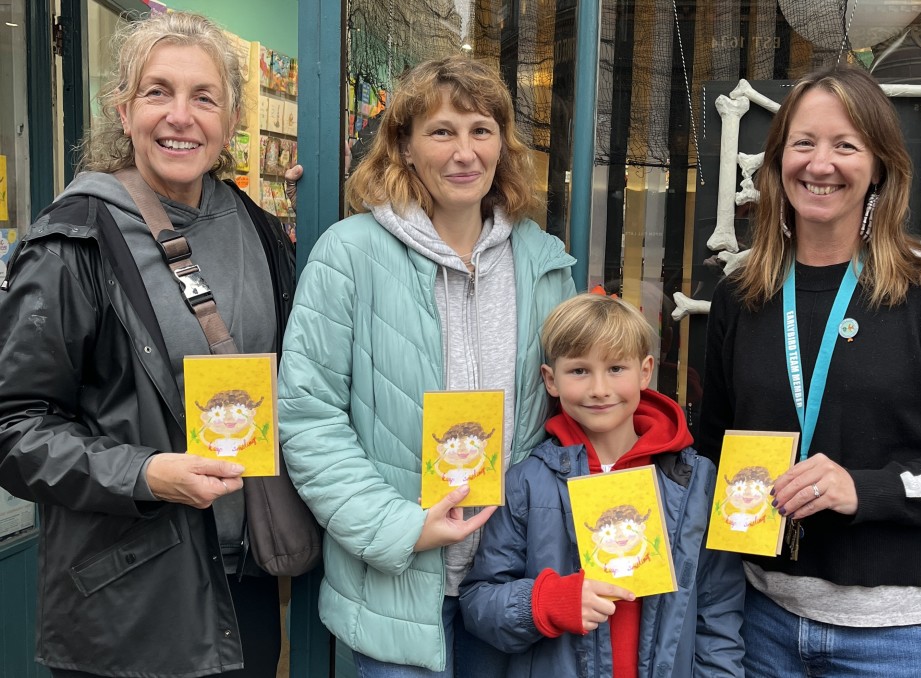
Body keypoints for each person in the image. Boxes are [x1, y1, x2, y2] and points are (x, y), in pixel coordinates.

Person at [698, 64, 921, 678]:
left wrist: (868, 488)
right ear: (776, 160)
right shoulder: (741, 293)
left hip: (902, 635)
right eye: (803, 143)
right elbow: (716, 448)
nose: (821, 165)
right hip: (759, 620)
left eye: (846, 145)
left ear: (880, 167)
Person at [0, 12, 293, 678]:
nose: (180, 116)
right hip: (124, 601)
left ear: (232, 119)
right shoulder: (72, 242)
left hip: (241, 583)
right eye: (158, 92)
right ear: (124, 111)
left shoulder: (260, 229)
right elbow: (14, 429)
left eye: (204, 97)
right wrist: (145, 474)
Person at [276, 55, 576, 676]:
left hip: (509, 583)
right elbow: (308, 417)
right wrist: (399, 528)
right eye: (441, 131)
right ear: (405, 148)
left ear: (502, 146)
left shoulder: (546, 264)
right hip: (398, 585)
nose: (464, 152)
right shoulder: (349, 254)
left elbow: (574, 412)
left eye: (481, 130)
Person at [460, 293, 746, 677]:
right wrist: (549, 602)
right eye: (579, 371)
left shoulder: (696, 482)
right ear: (551, 379)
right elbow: (480, 603)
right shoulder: (526, 483)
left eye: (615, 368)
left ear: (645, 372)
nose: (599, 388)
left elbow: (719, 609)